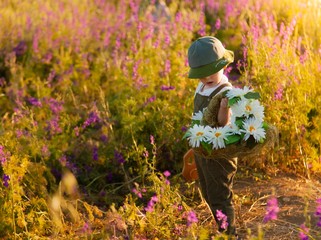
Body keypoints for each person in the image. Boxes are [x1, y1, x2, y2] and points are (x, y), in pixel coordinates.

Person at [187, 36, 238, 237]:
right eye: (202, 75)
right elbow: (197, 117)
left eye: (211, 73)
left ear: (223, 66)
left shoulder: (225, 90)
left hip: (219, 151)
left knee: (220, 195)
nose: (206, 78)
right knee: (207, 191)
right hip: (203, 149)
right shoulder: (202, 87)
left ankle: (229, 233)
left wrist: (224, 108)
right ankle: (221, 227)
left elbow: (223, 123)